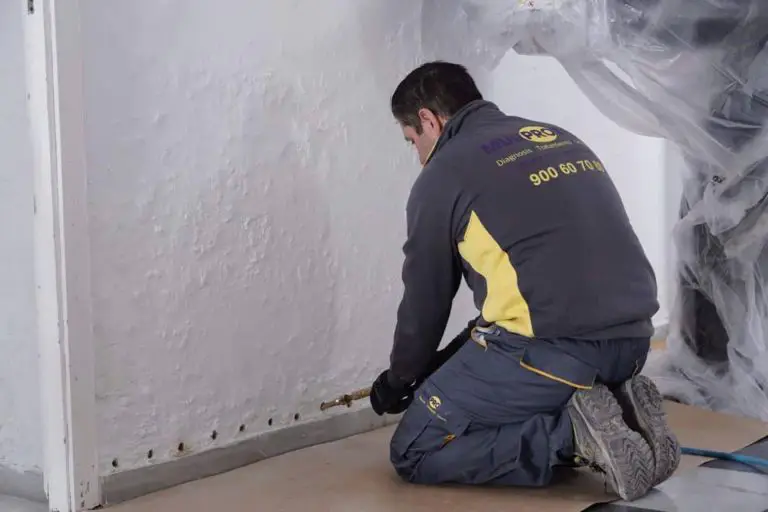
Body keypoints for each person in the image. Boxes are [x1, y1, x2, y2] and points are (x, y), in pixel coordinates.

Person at [367, 61, 681, 501]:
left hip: (555, 355)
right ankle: (622, 414)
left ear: (428, 120)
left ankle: (572, 436)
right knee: (495, 368)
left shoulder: (443, 174)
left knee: (415, 449)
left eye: (412, 141)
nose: (418, 156)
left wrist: (399, 380)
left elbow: (426, 303)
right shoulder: (556, 138)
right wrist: (434, 368)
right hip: (633, 346)